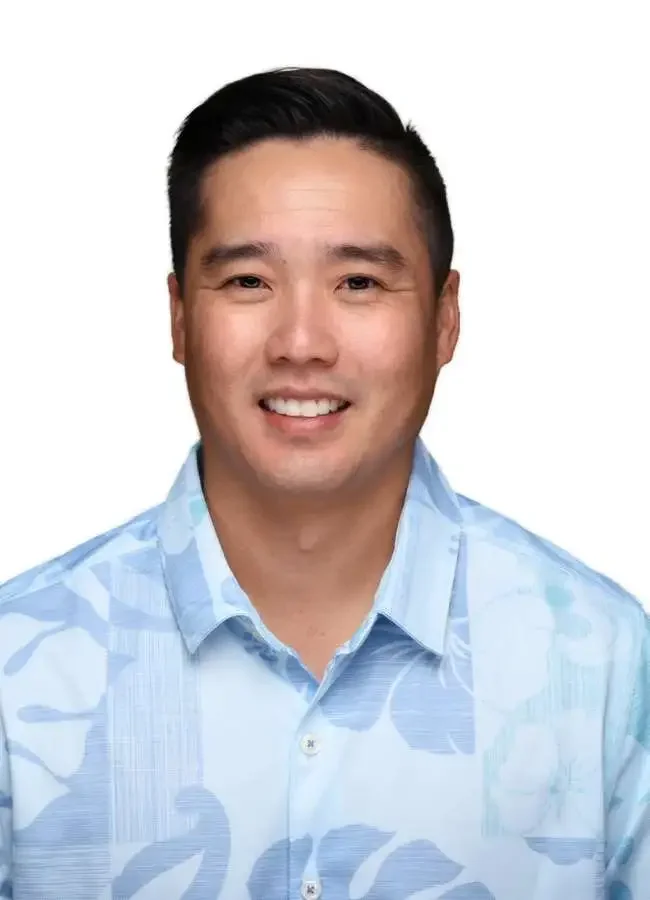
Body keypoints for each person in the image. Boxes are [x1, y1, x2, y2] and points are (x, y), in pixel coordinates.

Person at [0, 66, 647, 900]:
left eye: (359, 283)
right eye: (248, 282)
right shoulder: (19, 670)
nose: (301, 342)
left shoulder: (604, 661)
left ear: (445, 319)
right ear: (179, 317)